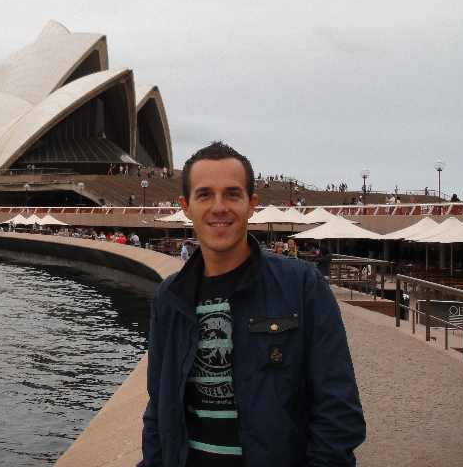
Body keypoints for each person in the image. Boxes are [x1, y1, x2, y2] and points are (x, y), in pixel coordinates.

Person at [139, 141, 364, 467]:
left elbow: (338, 410)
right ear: (186, 207)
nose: (219, 207)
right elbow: (159, 410)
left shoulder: (301, 286)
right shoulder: (169, 298)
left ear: (251, 204)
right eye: (205, 195)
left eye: (232, 194)